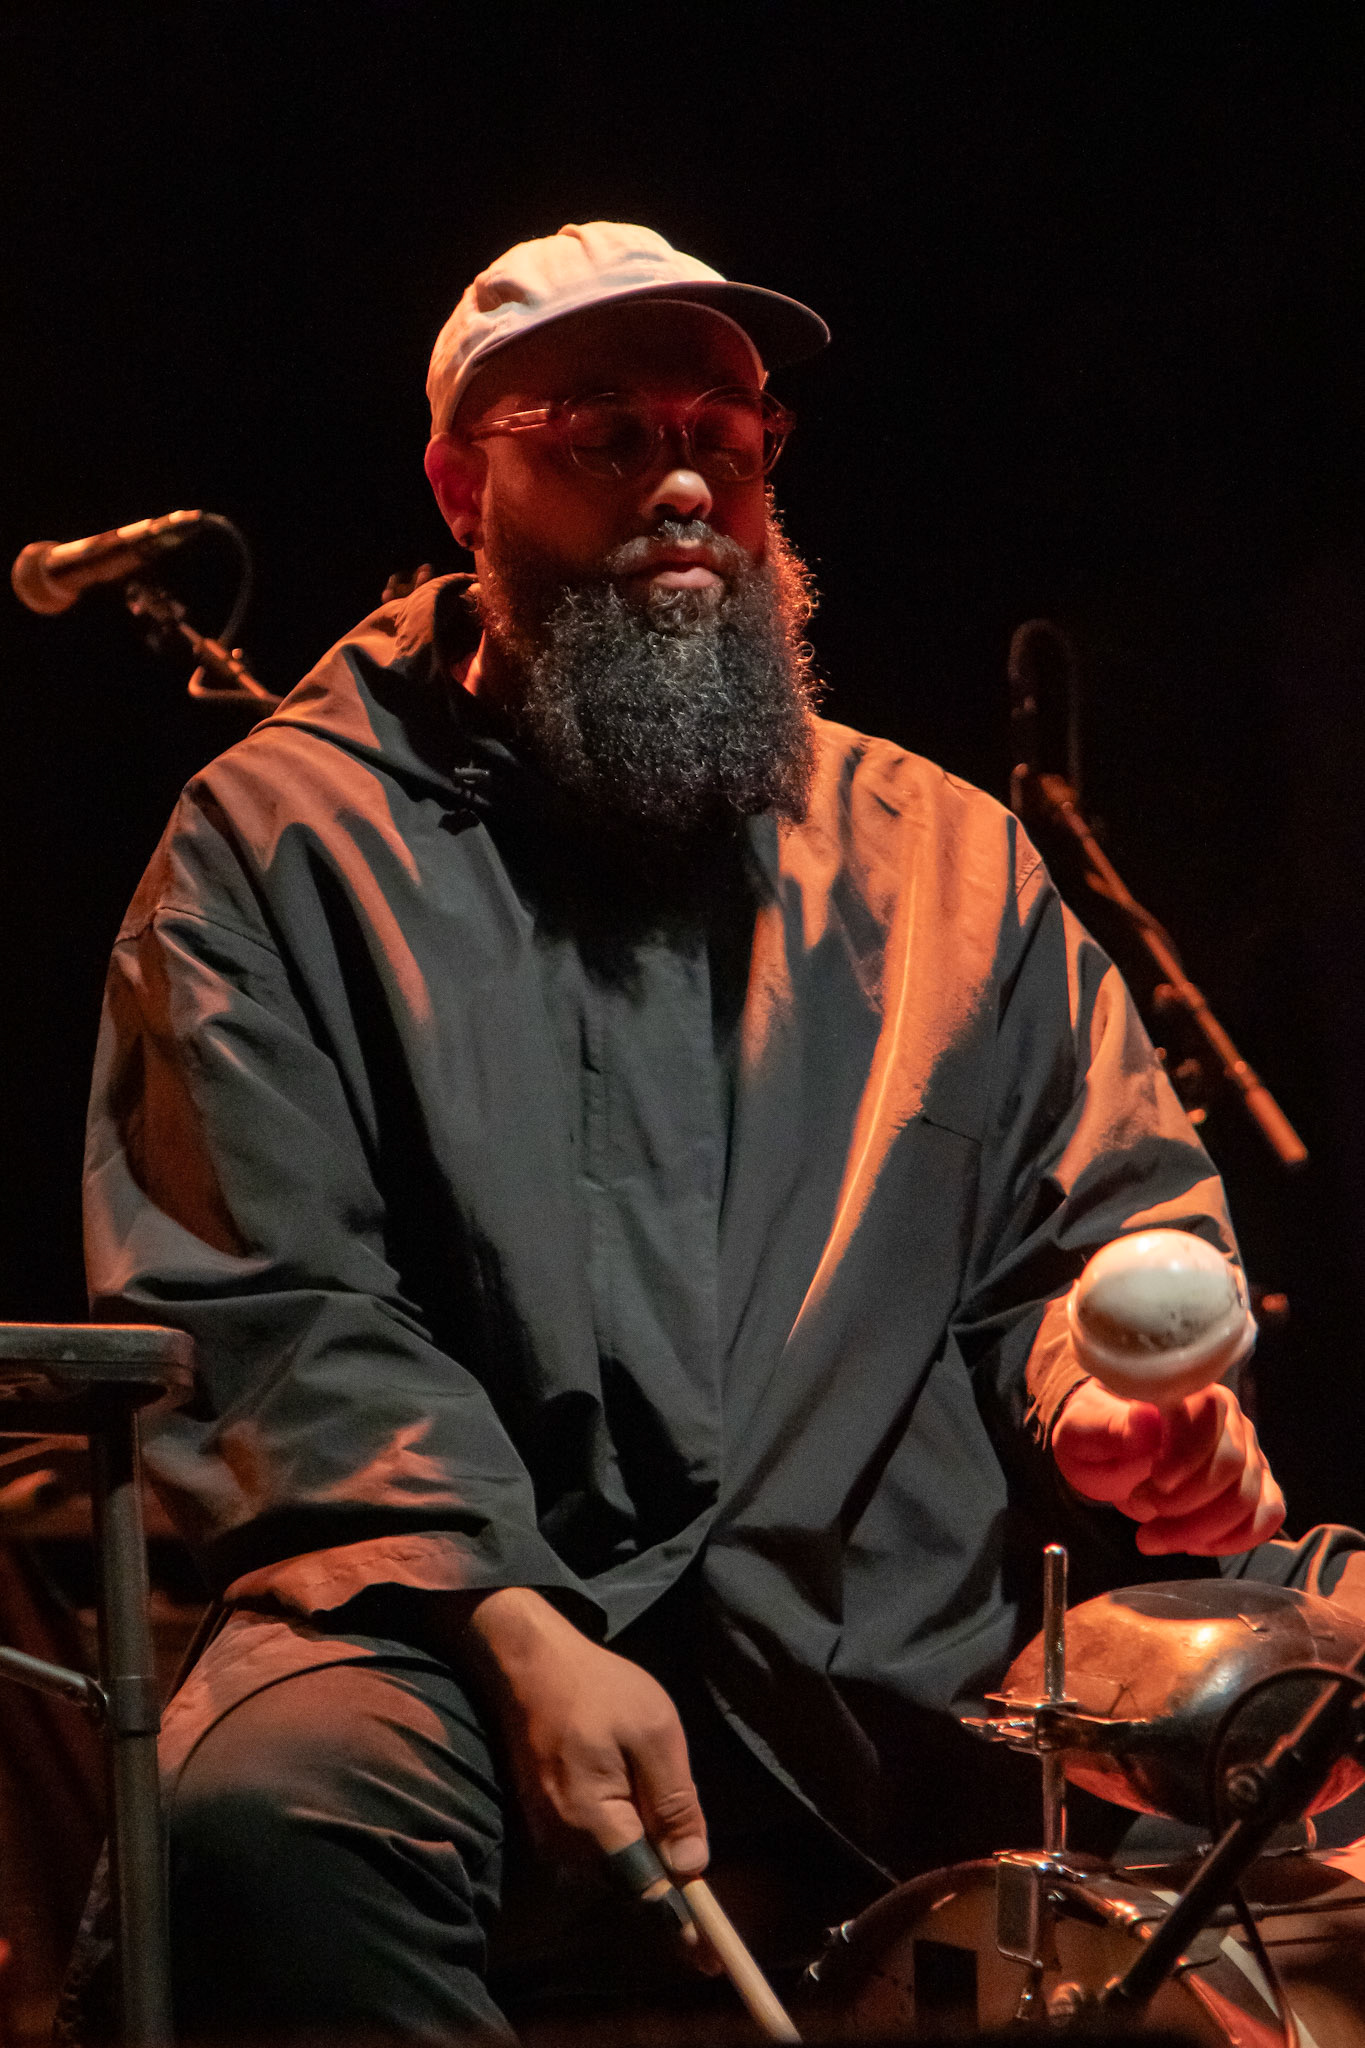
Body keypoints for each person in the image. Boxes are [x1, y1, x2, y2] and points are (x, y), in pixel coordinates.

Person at [82, 222, 1356, 2042]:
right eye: (607, 433)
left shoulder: (943, 862)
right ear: (461, 486)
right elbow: (273, 1306)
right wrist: (508, 1621)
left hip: (884, 1630)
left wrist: (1098, 1401)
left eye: (726, 436)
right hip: (439, 1613)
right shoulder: (283, 843)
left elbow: (1081, 1231)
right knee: (276, 1817)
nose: (684, 479)